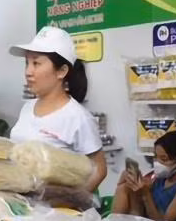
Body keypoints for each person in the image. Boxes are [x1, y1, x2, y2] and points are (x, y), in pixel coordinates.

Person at [8, 26, 108, 192]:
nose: (28, 72)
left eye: (36, 63)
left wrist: (69, 202)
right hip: (22, 206)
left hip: (54, 213)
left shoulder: (77, 117)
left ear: (61, 71)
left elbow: (99, 169)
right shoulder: (27, 108)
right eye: (27, 63)